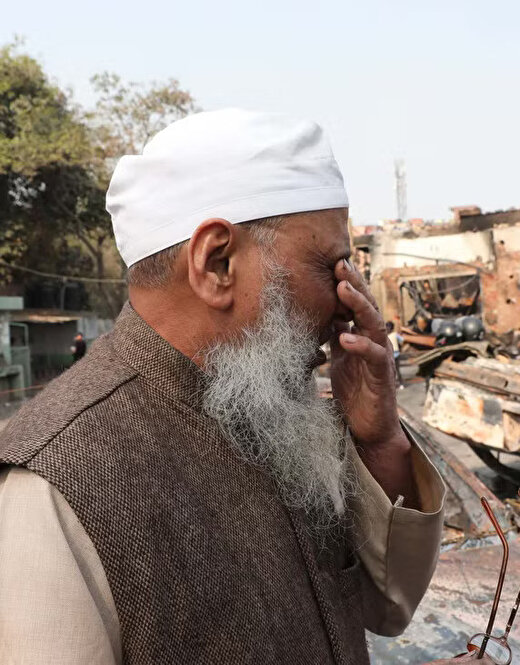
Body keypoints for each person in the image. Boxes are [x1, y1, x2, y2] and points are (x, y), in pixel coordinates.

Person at [0, 110, 448, 664]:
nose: (347, 301)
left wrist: (379, 443)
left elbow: (388, 610)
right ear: (217, 264)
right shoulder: (52, 484)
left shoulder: (279, 413)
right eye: (330, 266)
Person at [386, 320, 404, 387]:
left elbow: (402, 339)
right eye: (386, 327)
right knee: (391, 371)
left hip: (396, 355)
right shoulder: (385, 336)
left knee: (397, 370)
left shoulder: (395, 334)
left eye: (389, 327)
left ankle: (401, 384)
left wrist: (400, 346)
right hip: (389, 355)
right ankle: (393, 385)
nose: (387, 329)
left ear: (391, 328)